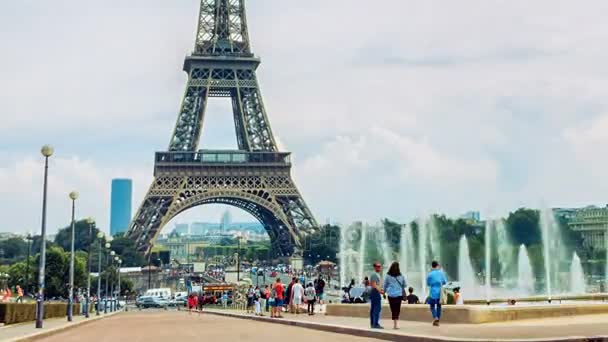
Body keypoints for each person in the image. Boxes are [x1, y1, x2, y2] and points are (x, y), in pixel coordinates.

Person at [384, 262, 406, 330]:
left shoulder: (388, 276)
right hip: (399, 295)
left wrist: (384, 292)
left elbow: (385, 285)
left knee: (393, 309)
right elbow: (404, 285)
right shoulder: (401, 276)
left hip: (391, 295)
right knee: (397, 309)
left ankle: (395, 323)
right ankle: (396, 324)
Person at [426, 260, 447, 326]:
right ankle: (437, 320)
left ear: (432, 266)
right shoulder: (441, 273)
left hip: (432, 293)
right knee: (439, 306)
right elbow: (444, 282)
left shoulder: (430, 274)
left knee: (432, 306)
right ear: (437, 266)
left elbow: (428, 284)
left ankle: (435, 317)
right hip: (439, 293)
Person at [369, 262, 384, 329]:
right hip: (375, 292)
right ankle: (375, 324)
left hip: (375, 292)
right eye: (377, 266)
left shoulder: (377, 274)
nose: (379, 268)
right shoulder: (374, 275)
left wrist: (381, 290)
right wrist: (380, 291)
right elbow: (374, 285)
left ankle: (373, 323)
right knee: (377, 308)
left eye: (380, 266)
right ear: (374, 267)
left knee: (373, 308)